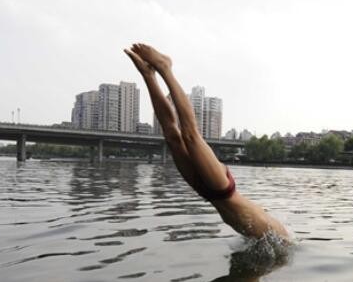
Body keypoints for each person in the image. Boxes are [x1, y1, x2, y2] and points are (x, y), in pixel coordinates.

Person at [124, 43, 289, 242]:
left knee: (173, 137)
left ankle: (148, 75)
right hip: (222, 190)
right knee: (191, 136)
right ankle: (165, 69)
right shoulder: (283, 239)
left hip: (210, 194)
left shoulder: (271, 231)